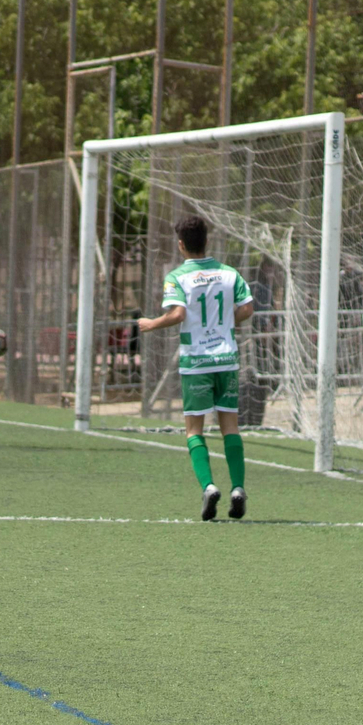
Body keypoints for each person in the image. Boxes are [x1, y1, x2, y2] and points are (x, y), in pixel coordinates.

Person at [135, 216, 254, 521]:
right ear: (206, 241)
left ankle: (209, 486)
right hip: (226, 359)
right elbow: (248, 309)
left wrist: (151, 324)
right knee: (230, 427)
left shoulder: (177, 277)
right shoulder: (230, 274)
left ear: (181, 245)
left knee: (193, 430)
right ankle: (238, 488)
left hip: (196, 362)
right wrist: (225, 322)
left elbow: (178, 313)